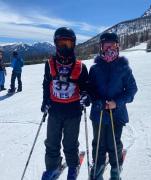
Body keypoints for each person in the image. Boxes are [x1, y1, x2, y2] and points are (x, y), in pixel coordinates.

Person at [41, 27, 90, 180]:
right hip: (55, 110)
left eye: (67, 44)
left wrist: (85, 96)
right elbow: (46, 84)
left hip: (73, 112)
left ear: (73, 45)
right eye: (61, 43)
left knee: (69, 143)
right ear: (56, 44)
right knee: (51, 142)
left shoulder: (80, 67)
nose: (64, 47)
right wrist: (45, 100)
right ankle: (52, 167)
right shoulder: (49, 65)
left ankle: (73, 166)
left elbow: (86, 87)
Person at [88, 32, 138, 180]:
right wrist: (96, 100)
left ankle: (116, 169)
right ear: (101, 47)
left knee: (113, 142)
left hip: (117, 114)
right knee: (98, 143)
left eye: (113, 45)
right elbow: (90, 88)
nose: (109, 48)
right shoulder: (95, 68)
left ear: (118, 47)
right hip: (98, 112)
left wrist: (117, 102)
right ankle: (98, 166)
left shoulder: (124, 68)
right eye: (106, 45)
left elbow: (131, 90)